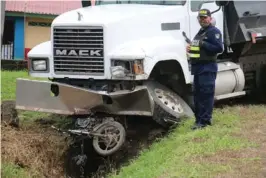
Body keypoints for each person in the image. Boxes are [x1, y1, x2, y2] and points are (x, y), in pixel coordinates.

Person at [186, 9, 223, 130]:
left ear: (210, 18)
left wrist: (203, 44)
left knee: (206, 95)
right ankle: (199, 120)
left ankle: (205, 121)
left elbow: (219, 48)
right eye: (200, 18)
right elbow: (197, 49)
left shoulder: (213, 31)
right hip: (198, 68)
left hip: (207, 67)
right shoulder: (201, 32)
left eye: (205, 17)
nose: (203, 20)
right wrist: (190, 48)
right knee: (198, 95)